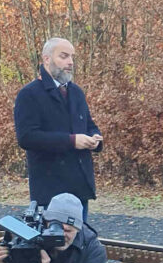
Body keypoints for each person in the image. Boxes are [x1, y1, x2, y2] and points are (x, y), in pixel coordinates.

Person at [13, 38, 104, 215]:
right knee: (54, 242)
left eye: (72, 57)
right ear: (47, 59)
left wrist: (95, 139)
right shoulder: (29, 94)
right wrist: (72, 141)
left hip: (79, 189)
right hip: (50, 191)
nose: (70, 62)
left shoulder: (76, 92)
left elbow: (89, 125)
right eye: (63, 56)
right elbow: (27, 137)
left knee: (80, 242)